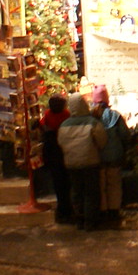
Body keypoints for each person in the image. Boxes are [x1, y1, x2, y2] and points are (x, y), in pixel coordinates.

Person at [58, 94, 108, 230]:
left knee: (76, 191)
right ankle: (90, 222)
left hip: (71, 163)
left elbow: (61, 143)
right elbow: (102, 141)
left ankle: (79, 220)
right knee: (91, 192)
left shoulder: (64, 125)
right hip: (90, 162)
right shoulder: (93, 122)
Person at [88, 84, 129, 227]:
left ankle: (103, 210)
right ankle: (114, 210)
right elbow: (124, 134)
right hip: (114, 156)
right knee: (114, 184)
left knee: (101, 184)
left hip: (96, 157)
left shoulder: (91, 117)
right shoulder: (115, 116)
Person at [39, 93, 73, 224]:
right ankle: (68, 209)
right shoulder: (66, 115)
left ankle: (62, 209)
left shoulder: (48, 114)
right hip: (65, 152)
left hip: (52, 154)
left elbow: (42, 126)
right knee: (67, 183)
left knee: (58, 184)